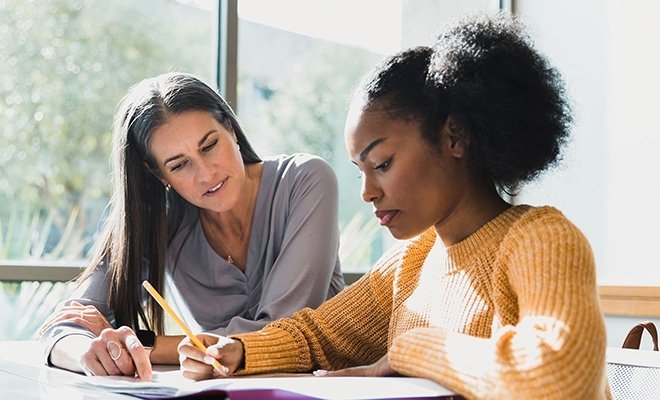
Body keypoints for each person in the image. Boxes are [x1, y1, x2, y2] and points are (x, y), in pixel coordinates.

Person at [177, 13, 610, 399]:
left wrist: (408, 348)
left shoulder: (541, 238)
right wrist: (239, 351)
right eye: (360, 170)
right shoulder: (412, 261)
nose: (367, 192)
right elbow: (320, 337)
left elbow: (557, 376)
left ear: (454, 137)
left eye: (382, 163)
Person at [39, 72, 345, 379]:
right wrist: (93, 354)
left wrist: (143, 344)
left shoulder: (306, 180)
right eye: (179, 165)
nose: (206, 174)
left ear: (230, 128)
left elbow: (280, 334)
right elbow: (67, 325)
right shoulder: (161, 218)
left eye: (209, 145)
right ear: (158, 175)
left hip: (323, 389)